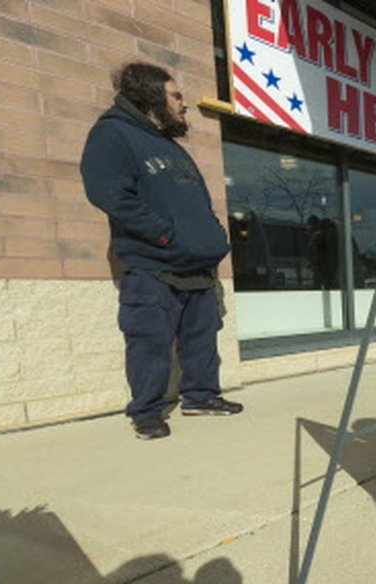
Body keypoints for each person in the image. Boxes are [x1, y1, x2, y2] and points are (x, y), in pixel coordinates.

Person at [81, 62, 243, 440]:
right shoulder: (112, 134)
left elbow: (199, 202)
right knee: (149, 344)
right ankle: (146, 412)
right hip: (153, 266)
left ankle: (201, 397)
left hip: (198, 265)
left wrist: (213, 236)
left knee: (202, 340)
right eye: (176, 96)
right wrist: (167, 237)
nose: (184, 104)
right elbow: (110, 196)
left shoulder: (169, 146)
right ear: (151, 96)